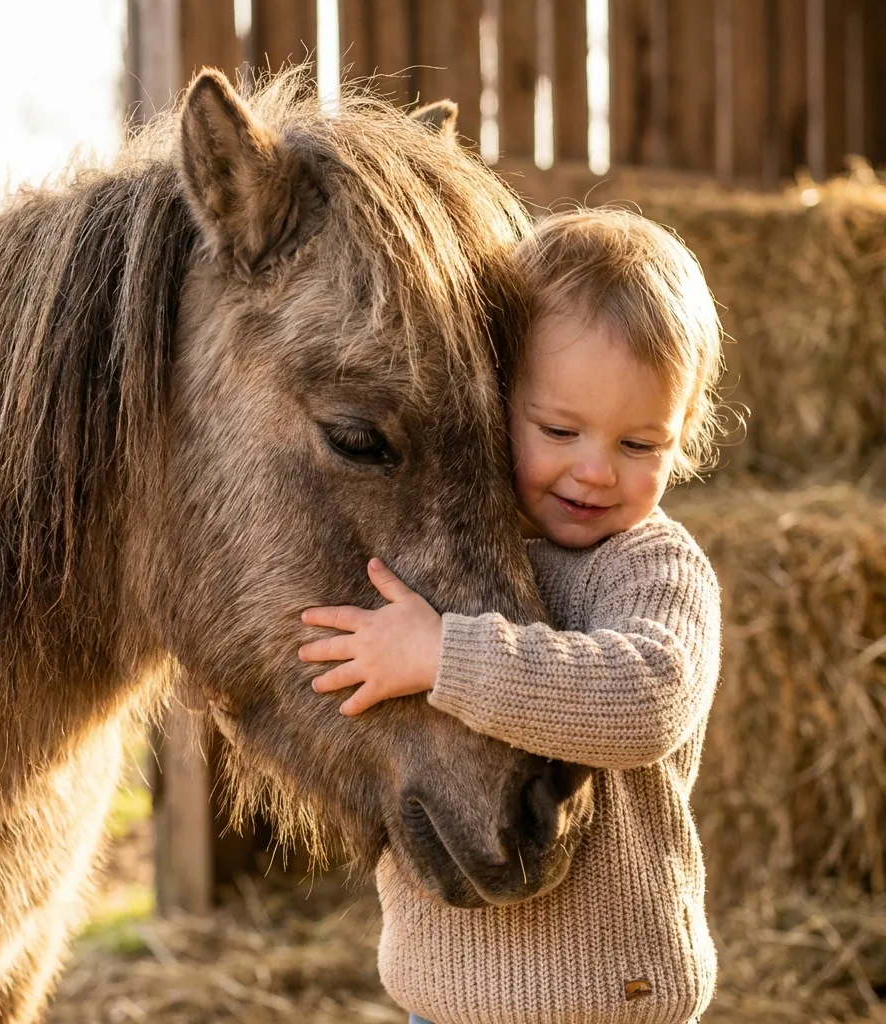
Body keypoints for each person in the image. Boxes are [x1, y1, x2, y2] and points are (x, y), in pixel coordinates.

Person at [298, 207, 726, 1024]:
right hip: (442, 1002)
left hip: (613, 1001)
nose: (596, 471)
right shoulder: (442, 545)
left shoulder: (650, 565)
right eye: (560, 429)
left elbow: (652, 699)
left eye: (642, 446)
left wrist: (446, 658)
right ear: (493, 400)